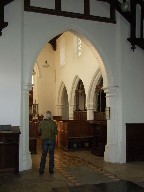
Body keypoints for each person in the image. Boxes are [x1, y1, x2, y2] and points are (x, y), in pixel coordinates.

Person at [38, 111, 58, 175]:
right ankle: (51, 170)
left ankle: (41, 170)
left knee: (44, 155)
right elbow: (55, 132)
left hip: (44, 140)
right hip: (51, 140)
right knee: (51, 155)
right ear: (51, 116)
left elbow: (39, 131)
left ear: (45, 115)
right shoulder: (53, 123)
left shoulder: (41, 122)